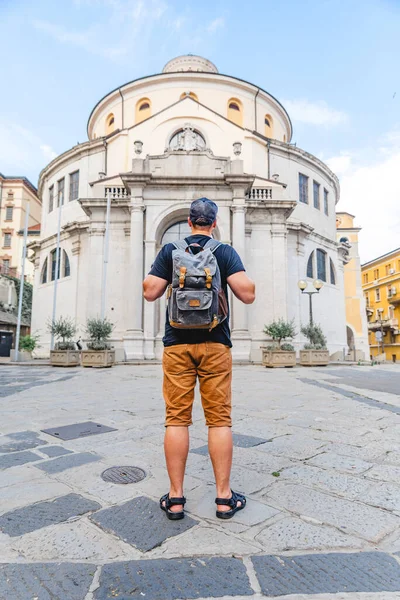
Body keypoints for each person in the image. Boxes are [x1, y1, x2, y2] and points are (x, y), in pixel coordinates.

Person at [143, 198, 255, 520]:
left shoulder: (170, 250)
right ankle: (223, 498)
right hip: (216, 344)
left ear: (190, 222)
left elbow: (149, 291)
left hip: (177, 344)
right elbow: (247, 293)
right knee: (219, 420)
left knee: (176, 419)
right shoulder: (224, 252)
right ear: (214, 222)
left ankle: (176, 499)